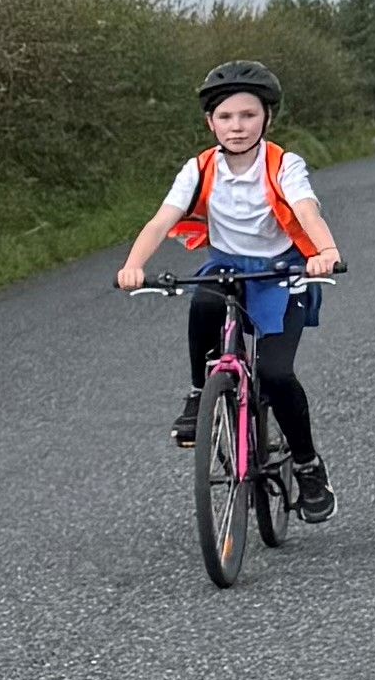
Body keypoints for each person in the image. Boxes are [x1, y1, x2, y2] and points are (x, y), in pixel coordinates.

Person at [115, 59, 344, 523]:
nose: (236, 126)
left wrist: (326, 250)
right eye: (225, 117)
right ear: (210, 122)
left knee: (277, 375)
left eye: (248, 115)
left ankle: (308, 466)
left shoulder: (284, 164)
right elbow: (162, 220)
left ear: (266, 118)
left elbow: (305, 211)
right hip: (227, 267)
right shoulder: (199, 168)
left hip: (283, 271)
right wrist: (134, 266)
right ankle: (201, 392)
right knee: (202, 300)